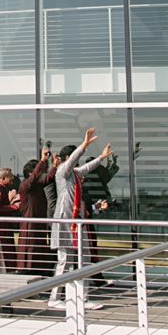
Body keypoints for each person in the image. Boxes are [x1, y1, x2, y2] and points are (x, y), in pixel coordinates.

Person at [46, 129, 111, 307]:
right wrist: (84, 145)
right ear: (68, 158)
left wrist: (101, 157)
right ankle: (54, 299)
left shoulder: (74, 174)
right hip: (64, 221)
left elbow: (87, 168)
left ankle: (83, 298)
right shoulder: (62, 172)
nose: (78, 162)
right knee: (64, 261)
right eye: (74, 158)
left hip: (76, 222)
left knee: (85, 259)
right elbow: (73, 161)